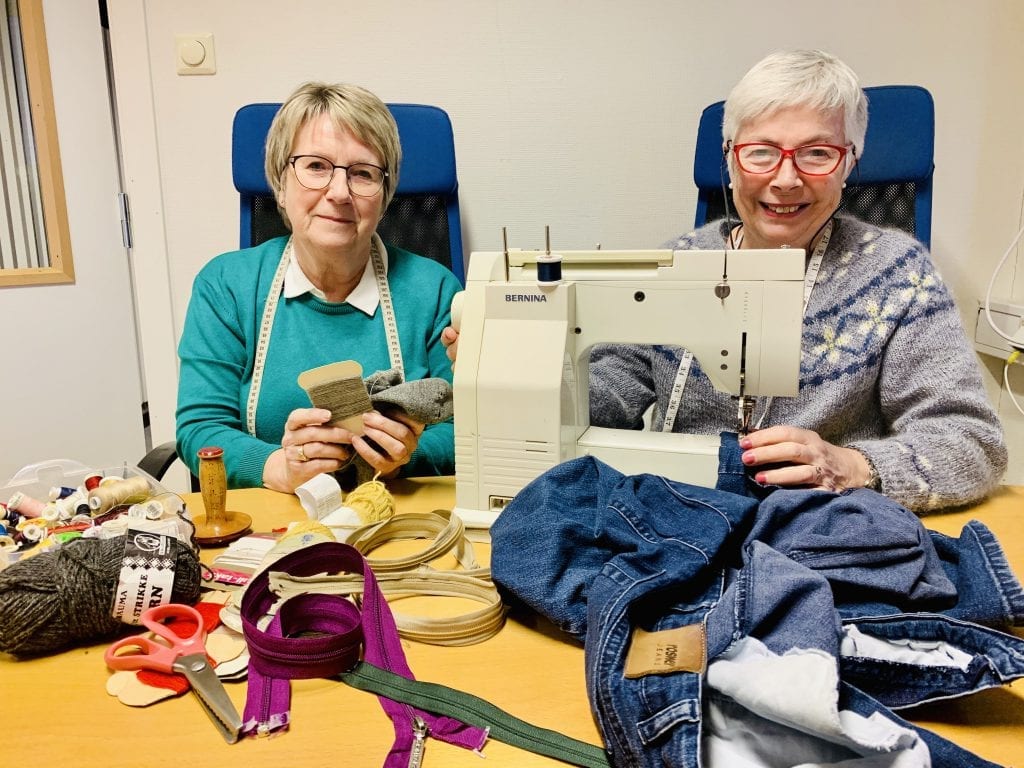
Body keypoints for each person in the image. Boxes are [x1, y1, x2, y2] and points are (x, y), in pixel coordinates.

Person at [443, 49, 1006, 513]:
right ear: (731, 160)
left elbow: (972, 440)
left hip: (822, 531)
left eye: (816, 153)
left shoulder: (895, 275)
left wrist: (857, 466)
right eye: (760, 152)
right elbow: (611, 390)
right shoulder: (679, 265)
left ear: (850, 162)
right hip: (680, 524)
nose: (785, 179)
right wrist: (525, 369)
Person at [177, 81, 460, 493]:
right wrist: (278, 467)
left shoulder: (434, 290)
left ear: (385, 194)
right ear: (280, 180)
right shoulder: (226, 286)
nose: (339, 192)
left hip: (399, 512)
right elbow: (200, 428)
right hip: (273, 523)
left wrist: (405, 455)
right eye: (316, 167)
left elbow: (469, 429)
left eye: (363, 173)